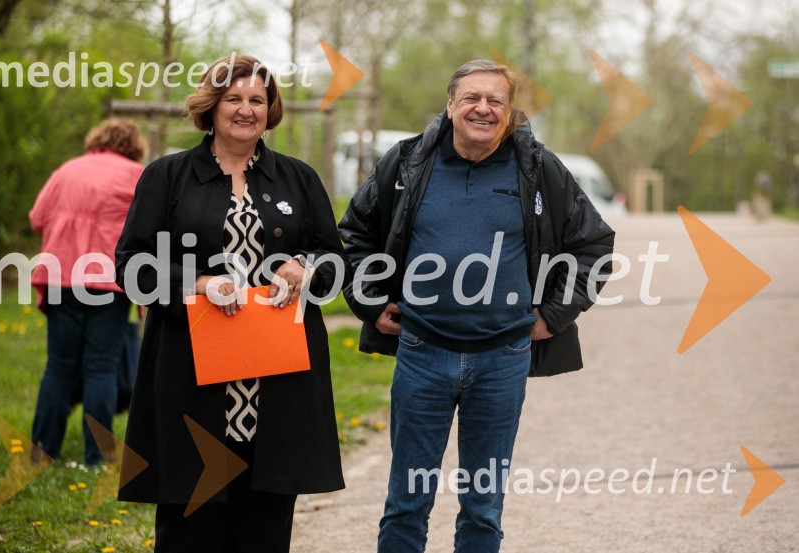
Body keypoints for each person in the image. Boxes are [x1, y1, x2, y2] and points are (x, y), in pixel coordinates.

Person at [338, 60, 616, 552]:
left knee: (483, 508)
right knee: (407, 501)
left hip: (502, 359)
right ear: (450, 106)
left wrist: (552, 316)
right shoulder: (405, 163)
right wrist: (369, 301)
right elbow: (354, 235)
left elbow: (593, 246)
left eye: (496, 100)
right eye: (471, 98)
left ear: (509, 113)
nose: (482, 108)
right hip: (422, 352)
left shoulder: (539, 169)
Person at [114, 55, 348, 553]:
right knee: (190, 527)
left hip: (277, 385)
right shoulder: (167, 176)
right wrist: (197, 284)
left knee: (264, 528)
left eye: (257, 100)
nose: (246, 110)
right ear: (211, 105)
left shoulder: (299, 179)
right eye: (234, 99)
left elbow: (336, 260)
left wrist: (306, 269)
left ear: (271, 109)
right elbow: (131, 266)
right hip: (191, 378)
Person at [29, 118, 147, 467]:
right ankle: (97, 457)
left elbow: (37, 218)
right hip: (110, 280)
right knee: (102, 367)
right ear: (134, 146)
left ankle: (41, 452)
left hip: (61, 275)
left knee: (59, 366)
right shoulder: (136, 175)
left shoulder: (67, 170)